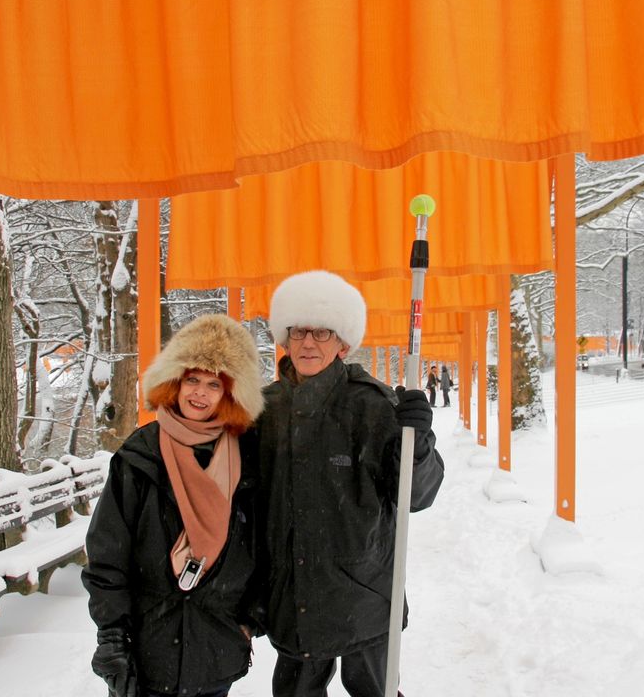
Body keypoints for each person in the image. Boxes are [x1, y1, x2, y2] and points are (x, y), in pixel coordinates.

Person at [257, 270, 445, 697]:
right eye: (299, 331)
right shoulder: (263, 409)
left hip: (366, 588)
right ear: (284, 339)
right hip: (294, 589)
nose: (308, 343)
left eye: (322, 333)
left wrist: (417, 442)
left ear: (342, 344)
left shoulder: (373, 404)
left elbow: (417, 494)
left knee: (373, 691)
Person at [83, 314, 265, 697]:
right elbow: (108, 554)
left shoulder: (249, 459)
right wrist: (112, 638)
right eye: (192, 379)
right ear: (175, 381)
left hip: (217, 646)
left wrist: (248, 621)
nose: (199, 393)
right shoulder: (140, 455)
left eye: (214, 384)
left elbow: (265, 547)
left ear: (230, 393)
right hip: (149, 648)